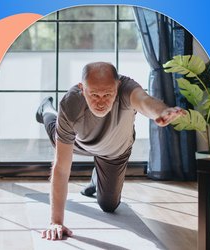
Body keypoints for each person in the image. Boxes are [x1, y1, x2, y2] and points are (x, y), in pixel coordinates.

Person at [37, 62, 185, 240]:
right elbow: (61, 168)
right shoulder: (71, 102)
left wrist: (161, 112)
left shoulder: (127, 89)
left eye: (107, 94)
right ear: (82, 88)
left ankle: (97, 176)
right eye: (94, 95)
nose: (100, 102)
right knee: (56, 134)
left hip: (114, 153)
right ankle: (46, 109)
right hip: (79, 143)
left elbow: (145, 101)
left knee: (109, 205)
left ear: (118, 86)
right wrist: (56, 221)